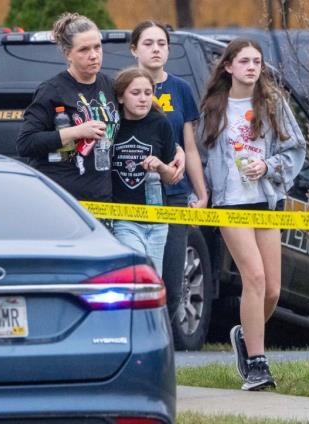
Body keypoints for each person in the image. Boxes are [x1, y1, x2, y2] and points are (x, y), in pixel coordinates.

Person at [199, 38, 306, 390]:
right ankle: (258, 364)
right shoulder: (214, 106)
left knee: (273, 289)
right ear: (228, 66)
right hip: (230, 202)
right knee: (255, 278)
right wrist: (200, 194)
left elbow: (295, 148)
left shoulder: (272, 103)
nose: (251, 67)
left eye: (257, 61)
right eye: (244, 61)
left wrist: (269, 165)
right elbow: (199, 154)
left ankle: (245, 336)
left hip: (266, 198)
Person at [130, 21, 208, 329]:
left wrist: (201, 194)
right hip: (132, 197)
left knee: (173, 279)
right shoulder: (122, 87)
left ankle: (167, 345)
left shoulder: (181, 89)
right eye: (148, 43)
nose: (156, 49)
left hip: (174, 194)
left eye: (161, 43)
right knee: (138, 275)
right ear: (134, 49)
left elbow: (190, 147)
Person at [15, 13, 119, 202]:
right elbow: (25, 143)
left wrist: (175, 149)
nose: (94, 55)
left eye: (97, 47)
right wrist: (76, 132)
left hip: (103, 198)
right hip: (62, 200)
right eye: (84, 50)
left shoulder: (110, 85)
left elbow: (138, 123)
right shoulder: (52, 90)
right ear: (67, 53)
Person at [111, 67, 177, 276]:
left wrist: (161, 166)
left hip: (157, 218)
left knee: (152, 279)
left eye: (148, 93)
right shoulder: (112, 125)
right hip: (124, 218)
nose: (143, 99)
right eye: (135, 93)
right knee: (137, 274)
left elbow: (172, 178)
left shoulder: (160, 124)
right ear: (121, 97)